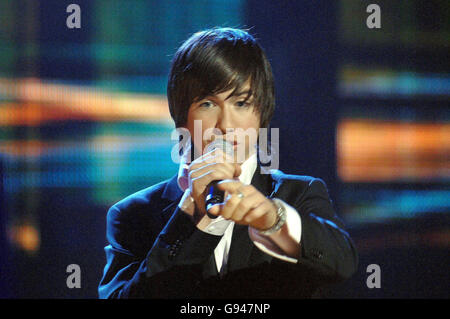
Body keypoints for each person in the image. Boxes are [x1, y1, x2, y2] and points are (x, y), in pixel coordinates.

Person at [98, 27, 358, 299]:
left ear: (262, 112)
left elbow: (342, 263)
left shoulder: (298, 194)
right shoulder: (133, 214)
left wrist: (272, 219)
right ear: (180, 114)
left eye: (241, 103)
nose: (226, 125)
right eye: (208, 104)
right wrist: (190, 218)